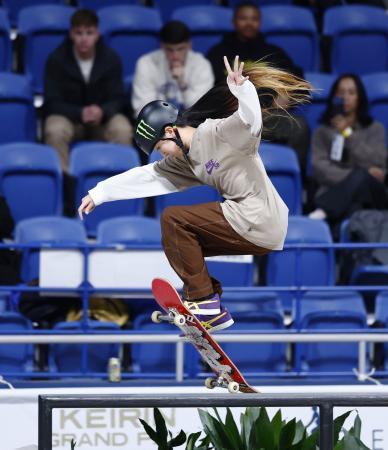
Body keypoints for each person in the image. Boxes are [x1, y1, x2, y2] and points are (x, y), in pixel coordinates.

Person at [78, 56, 311, 332]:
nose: (161, 154)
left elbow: (250, 121)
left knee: (174, 219)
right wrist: (101, 193)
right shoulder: (187, 161)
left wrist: (243, 91)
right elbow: (149, 176)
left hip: (259, 217)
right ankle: (211, 306)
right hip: (254, 230)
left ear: (169, 131)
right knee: (178, 244)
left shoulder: (219, 132)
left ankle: (204, 301)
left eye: (159, 147)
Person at [207, 1, 310, 174]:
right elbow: (210, 91)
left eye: (254, 19)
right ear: (233, 22)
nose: (249, 23)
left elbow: (298, 83)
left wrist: (285, 95)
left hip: (268, 116)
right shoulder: (218, 53)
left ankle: (295, 182)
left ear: (260, 22)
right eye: (243, 18)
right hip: (231, 118)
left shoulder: (274, 53)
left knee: (299, 127)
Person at [43, 9, 133, 173]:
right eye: (79, 33)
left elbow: (119, 99)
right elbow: (51, 102)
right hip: (69, 119)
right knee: (54, 130)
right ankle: (65, 186)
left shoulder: (111, 58)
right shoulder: (56, 59)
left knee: (123, 130)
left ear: (97, 34)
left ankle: (121, 183)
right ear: (71, 34)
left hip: (103, 119)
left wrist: (102, 111)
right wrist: (79, 112)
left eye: (89, 33)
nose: (84, 39)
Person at [309, 74, 387, 224]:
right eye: (341, 92)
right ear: (334, 97)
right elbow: (320, 168)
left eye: (351, 93)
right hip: (334, 191)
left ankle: (325, 209)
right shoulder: (323, 132)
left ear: (360, 97)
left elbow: (377, 160)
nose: (346, 97)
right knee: (355, 207)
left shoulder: (376, 129)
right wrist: (357, 175)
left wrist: (347, 133)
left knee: (362, 178)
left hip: (373, 193)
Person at [131, 20, 214, 116]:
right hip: (157, 125)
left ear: (189, 45)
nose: (175, 56)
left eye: (180, 49)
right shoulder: (146, 63)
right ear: (162, 46)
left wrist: (182, 84)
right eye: (169, 50)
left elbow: (201, 110)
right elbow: (143, 109)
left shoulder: (201, 65)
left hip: (193, 125)